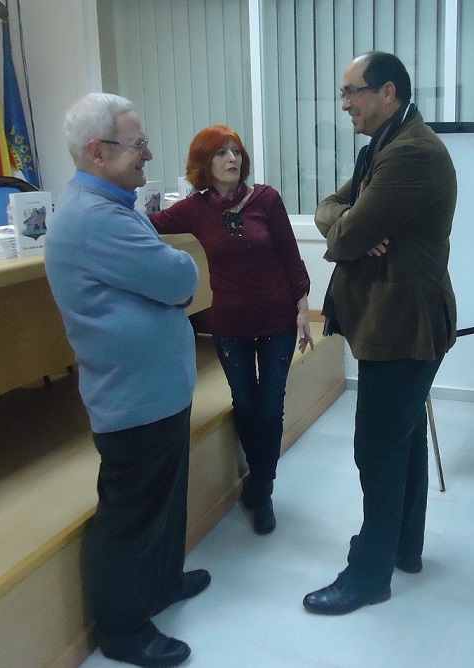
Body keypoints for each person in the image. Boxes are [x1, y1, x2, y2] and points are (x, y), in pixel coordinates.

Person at [45, 93, 211, 667]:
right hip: (133, 400)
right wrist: (180, 277)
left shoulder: (113, 205)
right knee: (132, 516)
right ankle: (122, 630)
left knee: (162, 505)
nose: (147, 153)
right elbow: (178, 276)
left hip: (155, 394)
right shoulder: (96, 217)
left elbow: (166, 278)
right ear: (98, 151)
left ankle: (159, 585)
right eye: (137, 143)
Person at [303, 52, 457, 615]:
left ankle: (368, 574)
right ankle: (403, 548)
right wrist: (346, 223)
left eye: (351, 93)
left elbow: (344, 236)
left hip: (402, 325)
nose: (345, 105)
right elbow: (332, 212)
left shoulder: (411, 152)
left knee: (377, 448)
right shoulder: (385, 144)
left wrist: (349, 227)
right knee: (403, 440)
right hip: (394, 321)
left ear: (386, 91)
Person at [148, 125, 313, 535]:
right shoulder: (193, 209)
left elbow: (292, 259)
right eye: (221, 153)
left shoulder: (266, 199)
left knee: (271, 405)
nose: (232, 159)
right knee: (246, 401)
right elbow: (147, 224)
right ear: (205, 163)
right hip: (229, 323)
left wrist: (304, 310)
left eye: (236, 152)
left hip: (277, 319)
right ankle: (259, 478)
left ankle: (263, 488)